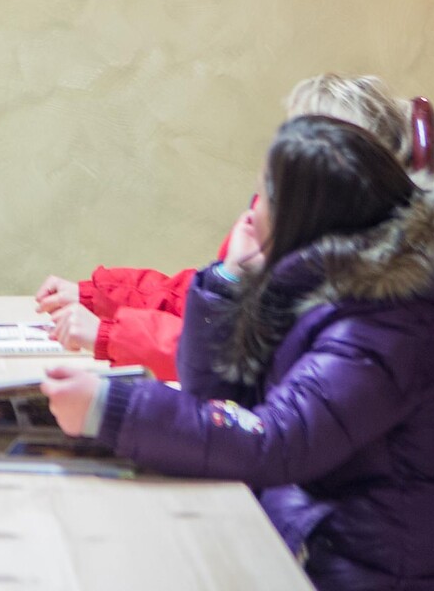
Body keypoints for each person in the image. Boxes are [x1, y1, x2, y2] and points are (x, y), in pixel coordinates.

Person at [42, 116, 434, 591]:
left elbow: (275, 441)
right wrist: (228, 281)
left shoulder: (380, 326)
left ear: (306, 217)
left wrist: (112, 407)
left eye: (265, 193)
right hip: (318, 546)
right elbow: (219, 398)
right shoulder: (325, 287)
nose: (252, 208)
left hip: (369, 573)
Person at [34, 75, 413, 378]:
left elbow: (230, 357)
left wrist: (110, 334)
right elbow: (204, 304)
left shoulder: (339, 274)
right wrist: (100, 296)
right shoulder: (292, 233)